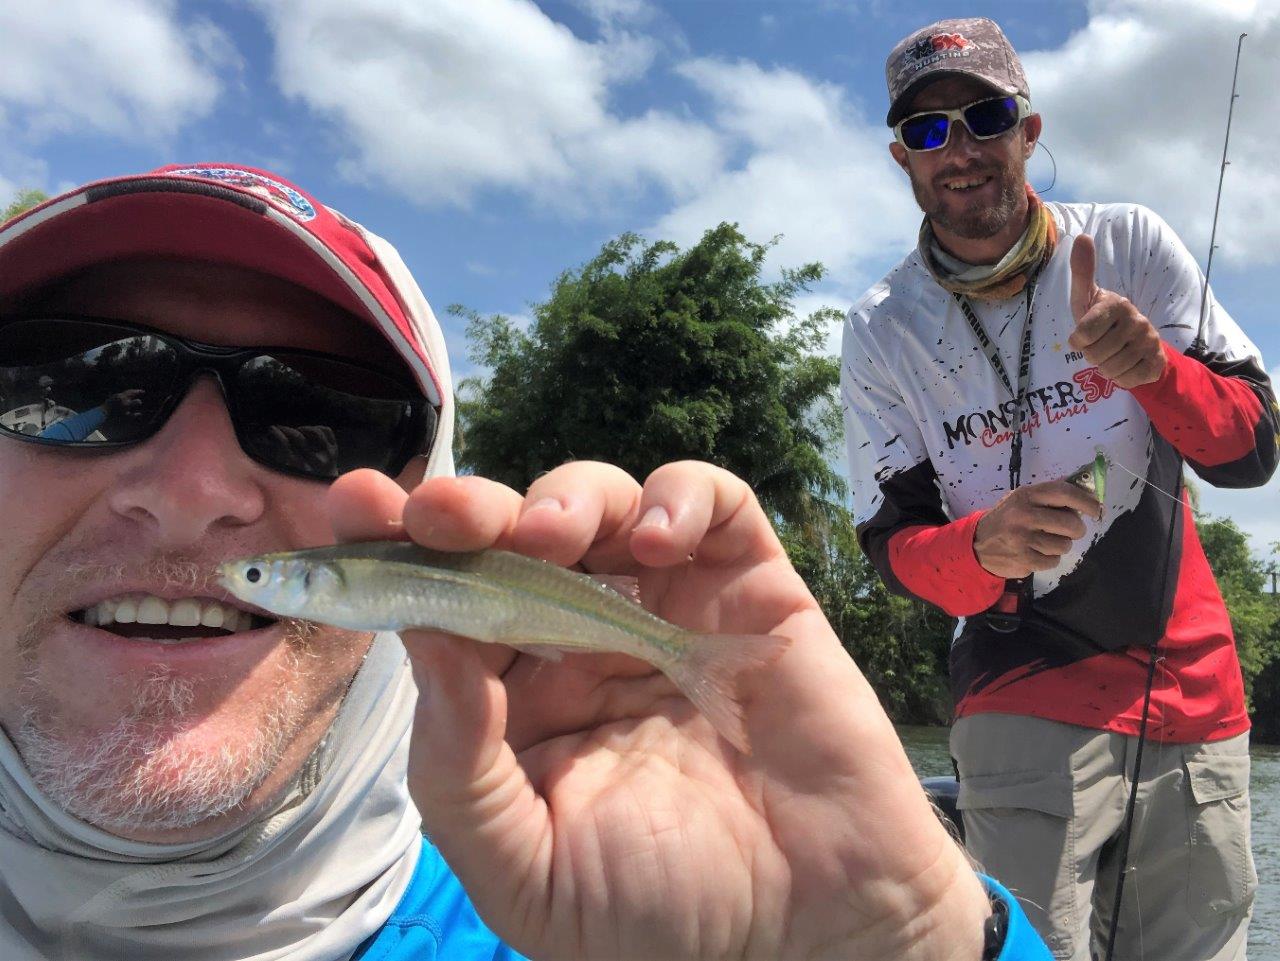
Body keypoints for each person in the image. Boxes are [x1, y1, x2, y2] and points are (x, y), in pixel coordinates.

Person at [0, 163, 1055, 960]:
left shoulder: (585, 912)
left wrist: (900, 935)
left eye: (317, 414)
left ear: (428, 479)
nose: (191, 491)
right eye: (69, 387)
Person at [842, 17, 1278, 961]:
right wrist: (980, 548)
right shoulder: (880, 330)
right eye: (927, 130)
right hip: (1017, 689)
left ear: (1029, 131)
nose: (960, 149)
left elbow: (1251, 450)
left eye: (986, 117)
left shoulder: (1129, 245)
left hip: (1192, 691)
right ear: (902, 157)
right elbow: (892, 544)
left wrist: (1157, 370)